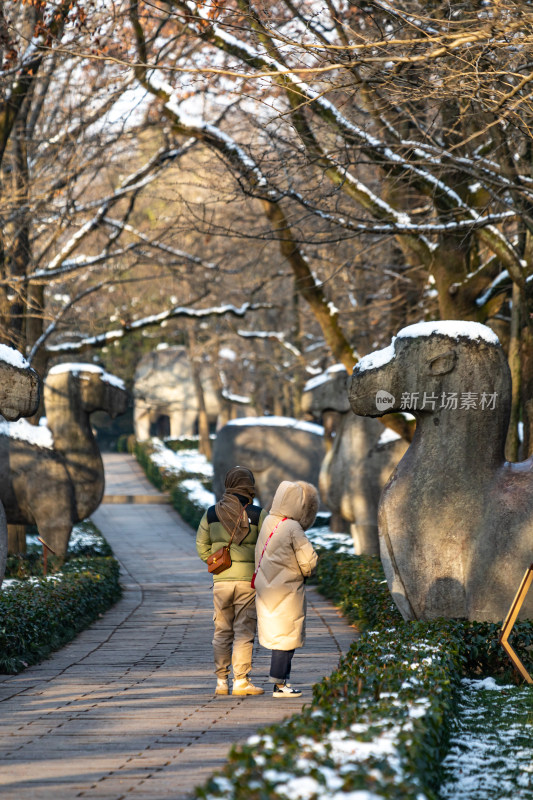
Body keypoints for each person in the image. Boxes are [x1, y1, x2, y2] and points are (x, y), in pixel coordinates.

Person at [196, 465, 267, 696]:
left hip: (221, 581)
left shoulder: (211, 513)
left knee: (222, 630)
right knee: (244, 630)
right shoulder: (258, 514)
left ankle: (221, 682)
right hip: (248, 582)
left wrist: (216, 561)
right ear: (249, 484)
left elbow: (201, 545)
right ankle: (241, 681)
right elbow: (268, 546)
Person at [253, 480, 319, 698]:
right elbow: (308, 561)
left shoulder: (269, 521)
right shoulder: (293, 527)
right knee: (285, 637)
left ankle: (280, 682)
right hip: (287, 589)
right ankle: (280, 685)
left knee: (279, 634)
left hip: (267, 587)